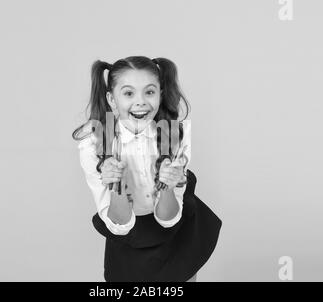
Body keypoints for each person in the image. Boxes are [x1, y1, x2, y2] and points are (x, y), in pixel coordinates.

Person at [72, 56, 222, 282]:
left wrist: (169, 186)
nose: (140, 102)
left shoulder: (175, 134)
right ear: (112, 99)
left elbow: (169, 218)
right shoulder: (94, 144)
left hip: (175, 232)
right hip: (129, 236)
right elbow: (120, 225)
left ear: (160, 94)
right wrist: (117, 187)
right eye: (129, 93)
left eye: (149, 92)